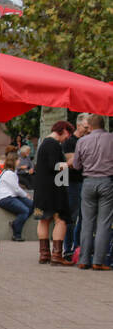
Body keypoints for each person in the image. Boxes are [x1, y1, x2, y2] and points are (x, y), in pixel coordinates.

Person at [72, 112, 113, 271]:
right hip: (106, 182)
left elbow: (76, 165)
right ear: (103, 124)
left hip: (88, 182)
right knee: (104, 222)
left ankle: (83, 260)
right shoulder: (111, 138)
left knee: (87, 222)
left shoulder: (82, 141)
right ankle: (98, 261)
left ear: (90, 126)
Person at [32, 120, 74, 265]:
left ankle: (44, 254)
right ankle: (57, 255)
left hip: (40, 192)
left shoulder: (44, 143)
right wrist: (68, 163)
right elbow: (54, 166)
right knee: (60, 219)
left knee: (42, 219)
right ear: (62, 130)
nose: (67, 138)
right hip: (53, 191)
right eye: (68, 133)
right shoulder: (54, 145)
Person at [61, 115, 90, 263]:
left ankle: (78, 247)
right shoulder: (70, 142)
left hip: (85, 181)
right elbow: (70, 163)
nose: (88, 129)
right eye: (85, 127)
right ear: (78, 126)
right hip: (72, 183)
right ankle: (68, 249)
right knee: (71, 216)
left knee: (84, 217)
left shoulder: (88, 140)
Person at [0, 153, 34, 242]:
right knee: (25, 210)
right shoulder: (9, 173)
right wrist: (26, 195)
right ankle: (17, 233)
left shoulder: (10, 172)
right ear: (14, 161)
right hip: (4, 197)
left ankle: (18, 221)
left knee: (31, 205)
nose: (19, 161)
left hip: (10, 196)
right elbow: (16, 189)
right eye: (18, 159)